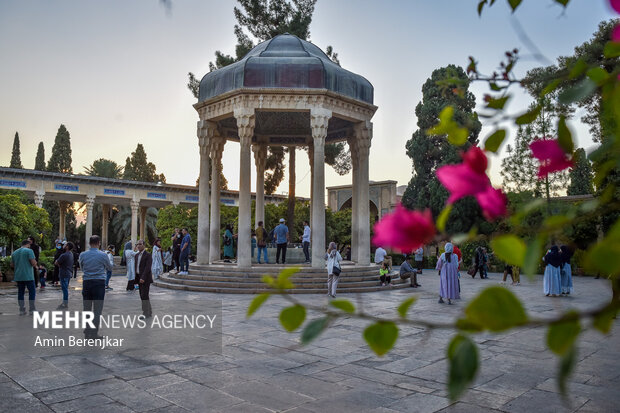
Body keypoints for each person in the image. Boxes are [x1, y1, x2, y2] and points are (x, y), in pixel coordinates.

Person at [79, 235, 112, 339]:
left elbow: (82, 267)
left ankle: (87, 329)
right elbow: (109, 267)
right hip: (99, 282)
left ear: (89, 243)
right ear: (99, 243)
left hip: (87, 282)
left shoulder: (83, 254)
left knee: (87, 308)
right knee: (97, 309)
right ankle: (93, 333)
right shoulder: (103, 255)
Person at [12, 239, 38, 315]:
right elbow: (33, 263)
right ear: (28, 244)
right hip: (28, 276)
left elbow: (12, 265)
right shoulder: (29, 251)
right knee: (32, 292)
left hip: (18, 276)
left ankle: (22, 310)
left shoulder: (15, 252)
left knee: (20, 292)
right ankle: (32, 309)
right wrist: (36, 264)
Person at [134, 240, 153, 318]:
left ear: (144, 245)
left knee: (144, 295)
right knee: (143, 295)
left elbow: (148, 268)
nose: (138, 246)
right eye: (137, 244)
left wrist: (143, 277)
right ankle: (149, 311)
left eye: (140, 244)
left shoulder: (148, 255)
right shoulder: (136, 255)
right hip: (138, 277)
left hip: (145, 278)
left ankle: (145, 313)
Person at [55, 241, 74, 309]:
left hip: (63, 273)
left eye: (65, 245)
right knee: (65, 288)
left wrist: (58, 264)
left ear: (67, 247)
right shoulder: (71, 254)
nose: (63, 245)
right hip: (68, 273)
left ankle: (65, 303)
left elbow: (57, 262)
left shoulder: (64, 255)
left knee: (65, 289)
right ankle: (64, 302)